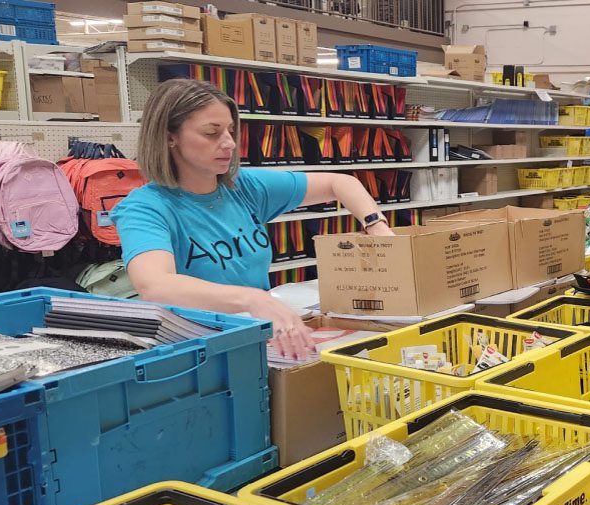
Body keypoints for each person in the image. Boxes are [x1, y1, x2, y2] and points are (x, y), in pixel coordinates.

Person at [112, 79, 394, 360]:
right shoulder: (145, 208)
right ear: (169, 136)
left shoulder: (243, 186)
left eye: (231, 131)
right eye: (212, 133)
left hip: (256, 339)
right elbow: (155, 285)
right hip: (196, 352)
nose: (229, 143)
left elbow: (340, 183)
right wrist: (252, 298)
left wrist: (377, 227)